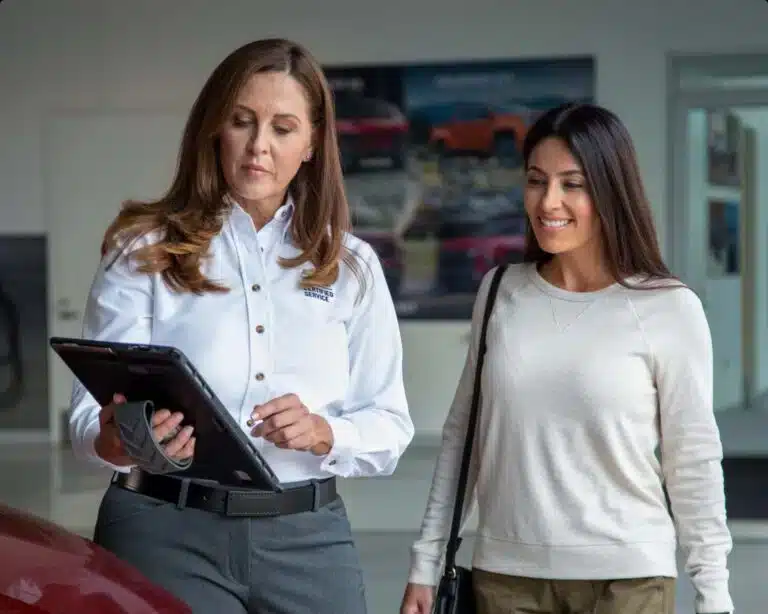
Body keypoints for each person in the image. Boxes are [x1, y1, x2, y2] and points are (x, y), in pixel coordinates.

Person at [68, 37, 414, 614]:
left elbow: (391, 428)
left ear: (310, 144)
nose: (259, 147)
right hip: (162, 532)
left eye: (283, 128)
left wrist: (326, 433)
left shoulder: (351, 265)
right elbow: (86, 418)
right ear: (213, 129)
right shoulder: (144, 249)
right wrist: (123, 438)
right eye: (241, 121)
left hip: (308, 536)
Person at [400, 103, 733, 614]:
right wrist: (426, 562)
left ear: (610, 189)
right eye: (536, 181)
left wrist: (714, 594)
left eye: (572, 184)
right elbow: (462, 437)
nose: (548, 201)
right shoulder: (499, 293)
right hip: (507, 577)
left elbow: (692, 459)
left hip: (628, 578)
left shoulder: (667, 307)